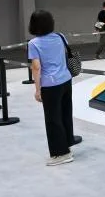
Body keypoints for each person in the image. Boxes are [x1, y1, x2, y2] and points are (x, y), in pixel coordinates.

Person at [28, 10, 77, 166]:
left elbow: (36, 67)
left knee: (53, 119)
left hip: (50, 85)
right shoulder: (60, 37)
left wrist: (37, 90)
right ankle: (67, 144)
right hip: (66, 79)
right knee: (65, 114)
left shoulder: (33, 43)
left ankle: (61, 153)